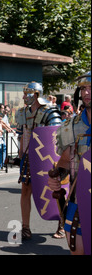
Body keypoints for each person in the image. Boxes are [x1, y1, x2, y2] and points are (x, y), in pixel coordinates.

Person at [48, 72, 91, 255]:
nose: (86, 93)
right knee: (78, 251)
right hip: (78, 200)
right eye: (83, 89)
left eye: (90, 88)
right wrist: (57, 176)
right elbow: (65, 163)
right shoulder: (70, 127)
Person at [15, 81, 62, 240]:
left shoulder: (49, 112)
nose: (23, 97)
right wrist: (21, 153)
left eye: (26, 94)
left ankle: (61, 224)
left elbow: (55, 136)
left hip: (47, 158)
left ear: (36, 95)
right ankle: (25, 227)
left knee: (55, 190)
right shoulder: (22, 113)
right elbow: (22, 135)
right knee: (25, 190)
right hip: (29, 158)